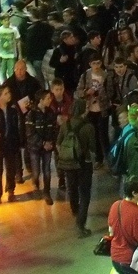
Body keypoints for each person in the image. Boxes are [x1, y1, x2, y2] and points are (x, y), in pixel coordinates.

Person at [59, 97, 97, 236]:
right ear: (82, 110)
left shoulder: (65, 125)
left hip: (69, 163)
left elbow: (59, 142)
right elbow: (93, 147)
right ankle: (81, 223)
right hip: (84, 163)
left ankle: (75, 210)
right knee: (85, 193)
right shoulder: (88, 127)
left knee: (72, 188)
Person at [26, 90, 59, 205]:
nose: (50, 100)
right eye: (48, 98)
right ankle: (35, 183)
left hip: (47, 148)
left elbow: (54, 129)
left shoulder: (51, 112)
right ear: (41, 100)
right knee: (36, 171)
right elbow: (30, 133)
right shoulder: (31, 114)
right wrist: (43, 143)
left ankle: (46, 192)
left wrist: (51, 142)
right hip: (35, 148)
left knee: (47, 170)